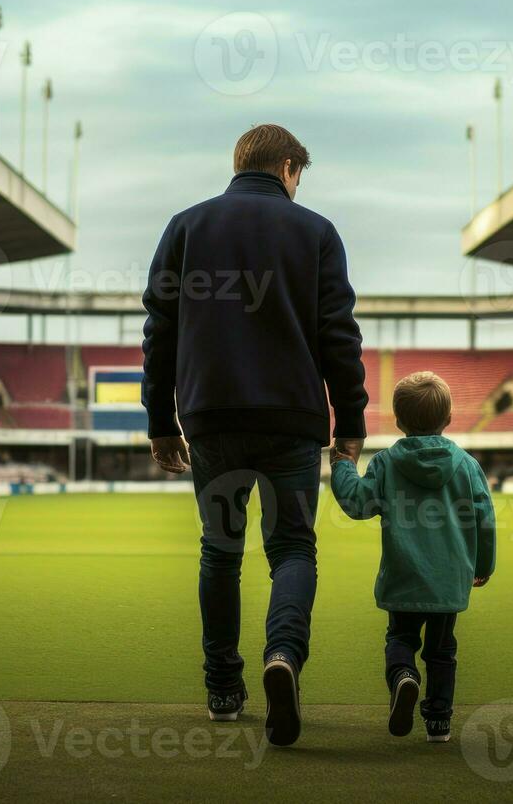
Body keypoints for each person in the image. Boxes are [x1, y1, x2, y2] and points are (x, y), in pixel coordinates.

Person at [141, 124, 368, 747]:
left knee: (220, 551)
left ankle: (221, 690)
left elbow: (159, 330)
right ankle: (283, 659)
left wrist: (160, 419)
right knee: (293, 549)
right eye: (300, 175)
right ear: (289, 168)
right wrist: (350, 422)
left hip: (211, 418)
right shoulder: (316, 232)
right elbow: (338, 335)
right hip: (291, 420)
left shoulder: (184, 228)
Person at [329, 371, 496, 744]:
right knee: (442, 651)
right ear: (448, 419)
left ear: (400, 421)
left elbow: (357, 503)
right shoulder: (467, 466)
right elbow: (484, 520)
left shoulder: (386, 464)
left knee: (400, 638)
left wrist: (341, 463)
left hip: (404, 575)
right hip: (448, 579)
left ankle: (404, 677)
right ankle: (439, 722)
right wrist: (483, 566)